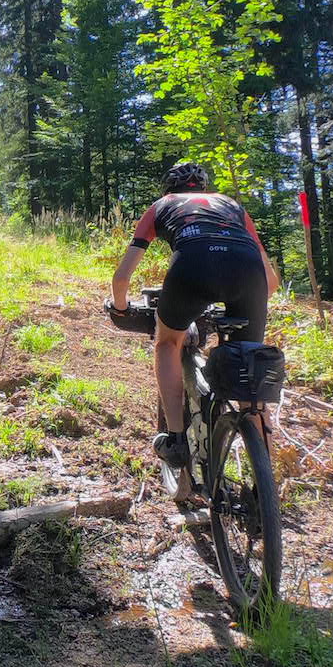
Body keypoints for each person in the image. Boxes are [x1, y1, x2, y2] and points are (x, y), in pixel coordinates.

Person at [109, 162, 279, 469]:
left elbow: (122, 278)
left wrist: (120, 306)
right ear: (204, 187)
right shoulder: (232, 206)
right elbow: (273, 282)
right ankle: (266, 481)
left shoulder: (162, 206)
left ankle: (176, 439)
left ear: (168, 187)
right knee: (250, 379)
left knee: (167, 345)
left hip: (192, 267)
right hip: (249, 272)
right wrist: (241, 305)